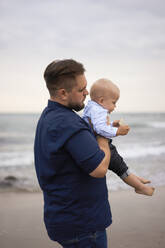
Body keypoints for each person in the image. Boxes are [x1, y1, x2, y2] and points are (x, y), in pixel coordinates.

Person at [34, 59, 152, 248]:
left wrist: (129, 175)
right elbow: (99, 168)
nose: (87, 93)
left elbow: (89, 153)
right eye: (82, 89)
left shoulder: (50, 116)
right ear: (63, 93)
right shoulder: (69, 124)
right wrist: (104, 136)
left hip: (65, 217)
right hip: (82, 225)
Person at [83, 78, 155, 196]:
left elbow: (98, 126)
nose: (115, 106)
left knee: (119, 164)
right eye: (114, 102)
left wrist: (112, 125)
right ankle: (139, 187)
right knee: (119, 165)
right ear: (101, 100)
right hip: (98, 145)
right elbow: (100, 129)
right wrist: (117, 131)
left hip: (94, 141)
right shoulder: (99, 111)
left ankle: (135, 179)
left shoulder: (93, 107)